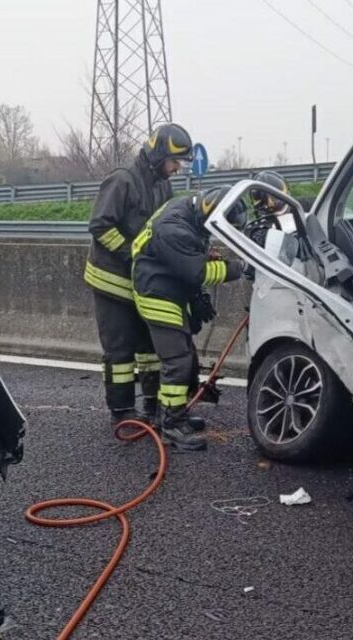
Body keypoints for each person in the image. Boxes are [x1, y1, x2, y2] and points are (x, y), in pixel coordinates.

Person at [85, 123, 193, 429]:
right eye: (174, 162)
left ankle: (153, 405)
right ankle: (122, 410)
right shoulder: (122, 180)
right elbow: (100, 226)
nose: (176, 169)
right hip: (112, 280)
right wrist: (134, 254)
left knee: (150, 348)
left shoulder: (162, 185)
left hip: (142, 282)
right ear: (159, 155)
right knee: (120, 350)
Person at [131, 186, 248, 450]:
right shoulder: (174, 229)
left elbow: (187, 254)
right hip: (157, 292)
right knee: (178, 361)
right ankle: (172, 426)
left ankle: (170, 415)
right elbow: (198, 273)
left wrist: (203, 256)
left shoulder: (187, 210)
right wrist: (240, 268)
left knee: (185, 356)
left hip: (166, 284)